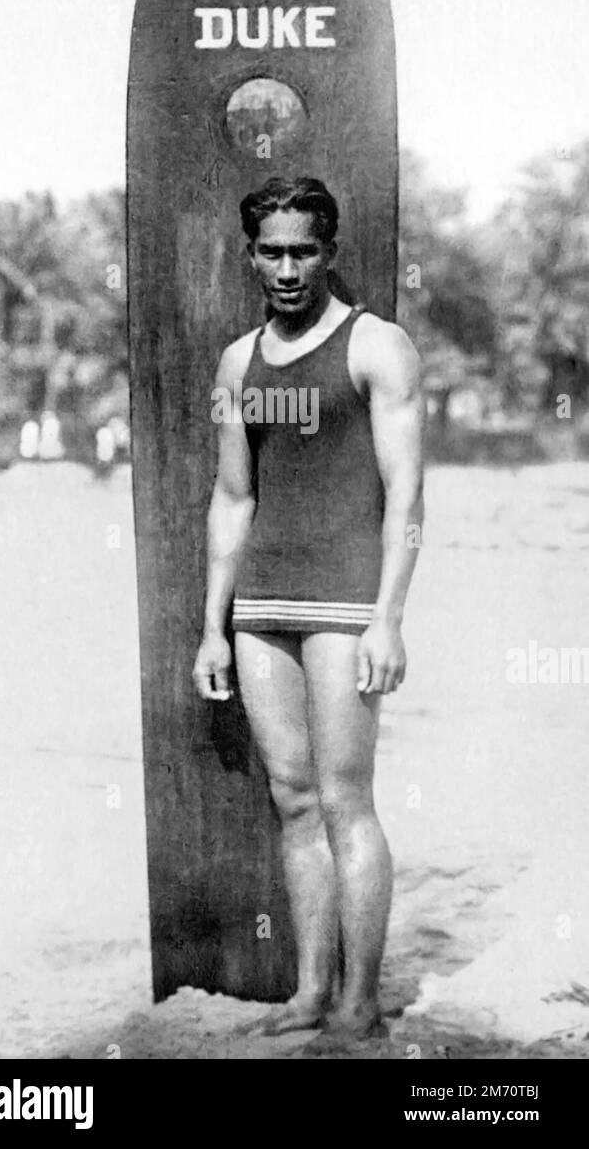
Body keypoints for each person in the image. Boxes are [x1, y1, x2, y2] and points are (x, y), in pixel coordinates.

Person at [193, 176, 425, 1051]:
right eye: (270, 251)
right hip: (261, 607)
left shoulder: (377, 346)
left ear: (328, 251)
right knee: (292, 802)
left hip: (342, 603)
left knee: (343, 800)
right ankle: (306, 989)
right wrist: (214, 624)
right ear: (249, 255)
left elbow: (405, 492)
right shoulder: (235, 363)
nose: (286, 268)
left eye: (302, 251)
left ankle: (359, 1001)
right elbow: (230, 496)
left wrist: (388, 617)